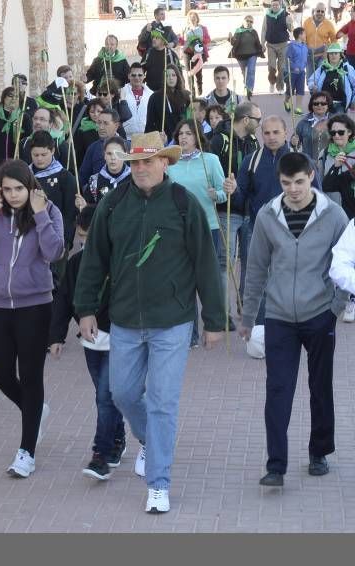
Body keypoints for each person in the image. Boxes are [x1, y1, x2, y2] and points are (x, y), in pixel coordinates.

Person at [74, 132, 225, 514]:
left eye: (147, 161)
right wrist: (86, 308)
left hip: (172, 321)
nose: (140, 168)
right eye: (135, 162)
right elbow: (93, 260)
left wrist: (213, 320)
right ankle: (154, 440)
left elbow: (207, 264)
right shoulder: (113, 203)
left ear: (165, 163)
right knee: (122, 393)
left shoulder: (183, 204)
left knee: (162, 401)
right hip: (124, 320)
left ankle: (158, 482)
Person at [240, 152, 348, 487]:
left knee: (320, 386)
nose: (294, 190)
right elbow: (256, 268)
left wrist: (336, 306)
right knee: (277, 389)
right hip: (279, 317)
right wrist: (247, 316)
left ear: (311, 175)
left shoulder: (333, 215)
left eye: (299, 182)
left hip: (320, 314)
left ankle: (319, 452)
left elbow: (346, 263)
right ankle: (276, 465)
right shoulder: (268, 215)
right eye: (287, 184)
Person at [0, 159, 64, 479]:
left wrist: (39, 213)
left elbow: (54, 252)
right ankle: (36, 413)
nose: (13, 195)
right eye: (6, 189)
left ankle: (26, 451)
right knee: (3, 373)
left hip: (35, 305)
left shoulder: (48, 211)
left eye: (18, 188)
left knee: (32, 377)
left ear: (30, 185)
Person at [49, 207, 125, 480]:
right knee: (107, 397)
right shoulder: (76, 262)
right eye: (82, 238)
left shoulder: (122, 260)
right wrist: (56, 336)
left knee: (105, 397)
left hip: (120, 340)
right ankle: (117, 439)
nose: (85, 244)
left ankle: (100, 455)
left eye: (90, 238)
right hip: (91, 343)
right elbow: (63, 300)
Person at [168, 120, 228, 348]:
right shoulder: (170, 163)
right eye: (180, 133)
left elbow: (224, 191)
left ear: (197, 137)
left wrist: (218, 194)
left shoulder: (210, 161)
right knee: (184, 282)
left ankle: (213, 324)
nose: (184, 138)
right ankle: (190, 333)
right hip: (177, 228)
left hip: (208, 226)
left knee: (206, 277)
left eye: (188, 134)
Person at [210, 102, 262, 319]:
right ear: (247, 120)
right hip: (227, 210)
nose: (259, 124)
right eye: (258, 120)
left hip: (248, 211)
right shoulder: (220, 139)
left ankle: (245, 307)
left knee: (250, 263)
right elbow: (212, 169)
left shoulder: (253, 141)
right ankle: (224, 313)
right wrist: (221, 188)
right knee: (225, 264)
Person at [28, 130, 78, 278]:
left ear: (53, 151)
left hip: (56, 236)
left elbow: (70, 213)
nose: (39, 159)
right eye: (35, 155)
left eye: (44, 155)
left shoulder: (65, 177)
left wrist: (66, 242)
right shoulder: (25, 175)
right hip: (30, 236)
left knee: (56, 280)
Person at [319, 114, 355, 217]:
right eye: (333, 133)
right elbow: (321, 183)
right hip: (333, 212)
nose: (336, 136)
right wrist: (335, 167)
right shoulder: (325, 153)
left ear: (349, 132)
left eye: (341, 132)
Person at [145, 64, 190, 145]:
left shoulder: (186, 96)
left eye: (173, 75)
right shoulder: (155, 97)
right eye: (167, 75)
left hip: (183, 140)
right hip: (163, 141)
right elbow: (150, 124)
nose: (170, 78)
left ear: (178, 77)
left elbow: (190, 119)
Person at [80, 136, 131, 210]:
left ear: (125, 155)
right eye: (109, 153)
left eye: (117, 153)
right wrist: (86, 206)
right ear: (104, 155)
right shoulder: (94, 181)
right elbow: (90, 213)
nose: (113, 158)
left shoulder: (134, 180)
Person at [291, 90, 332, 175]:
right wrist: (293, 143)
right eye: (316, 103)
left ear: (328, 105)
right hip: (309, 166)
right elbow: (294, 145)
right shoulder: (303, 123)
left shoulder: (335, 122)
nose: (319, 105)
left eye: (323, 103)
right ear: (312, 106)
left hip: (330, 165)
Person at [80, 108, 125, 183]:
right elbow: (83, 177)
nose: (101, 127)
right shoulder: (93, 148)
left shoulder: (127, 146)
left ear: (116, 125)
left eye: (106, 123)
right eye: (99, 123)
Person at [309, 42, 355, 114]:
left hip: (341, 104)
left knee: (337, 124)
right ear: (328, 55)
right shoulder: (323, 67)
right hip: (324, 104)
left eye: (336, 53)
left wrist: (353, 101)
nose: (333, 56)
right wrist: (312, 86)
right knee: (324, 124)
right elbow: (312, 80)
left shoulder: (347, 68)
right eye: (331, 53)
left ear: (340, 55)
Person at [229, 15, 264, 100]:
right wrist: (230, 38)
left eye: (251, 21)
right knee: (244, 72)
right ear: (243, 21)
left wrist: (262, 48)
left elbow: (258, 43)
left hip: (252, 54)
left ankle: (249, 89)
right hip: (240, 55)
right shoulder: (238, 31)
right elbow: (233, 42)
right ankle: (246, 85)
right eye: (247, 21)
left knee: (251, 71)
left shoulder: (253, 31)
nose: (248, 23)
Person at [262, 0, 294, 94]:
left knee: (282, 67)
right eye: (273, 5)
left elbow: (291, 29)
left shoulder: (285, 15)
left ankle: (280, 87)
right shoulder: (267, 16)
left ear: (280, 5)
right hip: (271, 45)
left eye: (277, 5)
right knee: (271, 67)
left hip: (283, 44)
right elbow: (264, 30)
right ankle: (272, 82)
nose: (275, 6)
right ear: (271, 6)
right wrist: (262, 43)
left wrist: (290, 22)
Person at [180, 10, 211, 96]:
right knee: (188, 72)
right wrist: (181, 40)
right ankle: (192, 93)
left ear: (197, 19)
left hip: (199, 53)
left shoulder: (203, 28)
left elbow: (208, 40)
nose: (192, 20)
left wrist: (201, 39)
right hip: (187, 52)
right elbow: (182, 42)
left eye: (194, 18)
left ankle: (199, 89)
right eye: (190, 18)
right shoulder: (185, 29)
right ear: (188, 20)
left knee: (198, 73)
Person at [303, 3, 337, 81]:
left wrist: (329, 51)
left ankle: (320, 93)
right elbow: (302, 38)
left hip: (322, 55)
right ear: (314, 11)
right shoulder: (306, 22)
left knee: (320, 78)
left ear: (325, 12)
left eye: (322, 11)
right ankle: (313, 93)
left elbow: (334, 40)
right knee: (310, 79)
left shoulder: (329, 24)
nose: (320, 13)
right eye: (318, 11)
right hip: (309, 55)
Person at [120, 63, 153, 139]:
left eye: (140, 75)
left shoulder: (151, 94)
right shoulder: (121, 92)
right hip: (126, 138)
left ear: (144, 76)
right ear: (128, 76)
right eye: (133, 75)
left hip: (146, 137)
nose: (137, 78)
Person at [72, 100, 105, 172]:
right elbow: (79, 154)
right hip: (88, 168)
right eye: (92, 112)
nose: (95, 114)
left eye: (99, 111)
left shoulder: (109, 127)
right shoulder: (82, 130)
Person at [285, 28, 309, 114]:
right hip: (293, 73)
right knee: (290, 91)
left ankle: (298, 108)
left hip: (302, 72)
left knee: (300, 90)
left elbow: (307, 56)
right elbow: (288, 59)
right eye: (304, 34)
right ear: (299, 35)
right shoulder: (291, 46)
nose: (305, 35)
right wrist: (294, 67)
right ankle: (286, 101)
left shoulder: (305, 46)